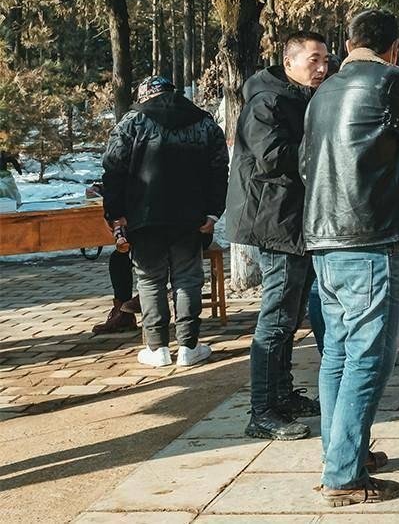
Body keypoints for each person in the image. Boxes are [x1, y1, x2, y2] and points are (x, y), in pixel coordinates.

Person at [302, 9, 399, 507]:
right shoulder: (388, 80)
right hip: (367, 232)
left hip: (322, 234)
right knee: (370, 356)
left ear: (349, 41)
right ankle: (343, 474)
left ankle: (340, 453)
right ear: (394, 48)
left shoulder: (324, 90)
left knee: (337, 351)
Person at [225, 31, 330, 440]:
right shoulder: (267, 101)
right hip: (275, 223)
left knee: (289, 318)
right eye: (313, 60)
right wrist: (324, 145)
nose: (322, 68)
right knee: (276, 320)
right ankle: (262, 410)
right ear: (289, 63)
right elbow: (272, 159)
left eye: (325, 60)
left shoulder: (305, 96)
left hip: (296, 222)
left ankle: (283, 394)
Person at [100, 74, 229, 371]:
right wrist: (212, 213)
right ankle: (189, 346)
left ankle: (156, 348)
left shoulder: (131, 122)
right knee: (188, 279)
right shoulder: (204, 122)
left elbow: (113, 169)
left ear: (144, 95)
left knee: (150, 280)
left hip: (143, 216)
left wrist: (115, 212)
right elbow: (219, 168)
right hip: (191, 218)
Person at [85, 177, 141, 334]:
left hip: (184, 231)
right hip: (151, 228)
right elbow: (119, 179)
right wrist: (99, 189)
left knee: (151, 255)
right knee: (119, 259)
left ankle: (152, 295)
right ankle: (123, 314)